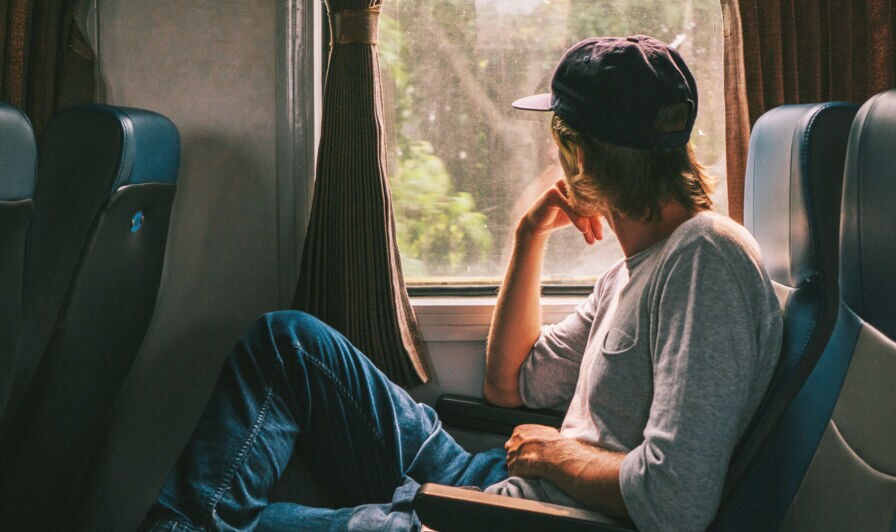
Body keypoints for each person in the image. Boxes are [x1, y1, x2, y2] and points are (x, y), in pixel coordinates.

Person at [141, 35, 782, 532]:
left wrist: (553, 455)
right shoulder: (633, 270)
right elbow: (511, 383)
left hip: (521, 519)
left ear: (580, 156)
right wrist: (528, 235)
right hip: (491, 479)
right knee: (287, 343)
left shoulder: (704, 258)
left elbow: (676, 503)